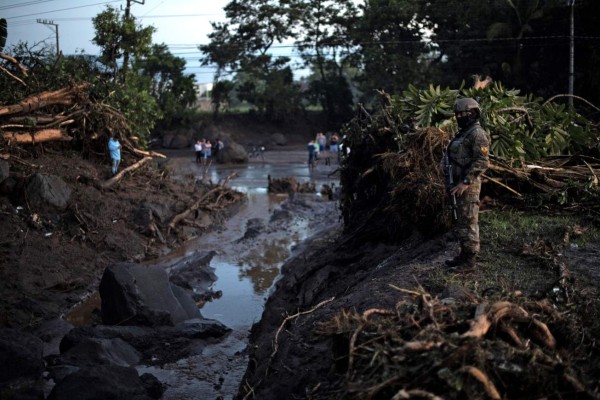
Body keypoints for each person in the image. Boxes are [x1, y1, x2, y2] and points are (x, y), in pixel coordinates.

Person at [441, 97, 490, 272]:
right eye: (458, 114)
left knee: (469, 220)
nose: (461, 116)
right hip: (457, 183)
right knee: (461, 220)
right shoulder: (463, 133)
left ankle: (470, 261)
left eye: (464, 113)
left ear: (474, 113)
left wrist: (465, 182)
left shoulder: (477, 134)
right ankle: (463, 255)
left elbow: (482, 162)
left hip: (468, 186)